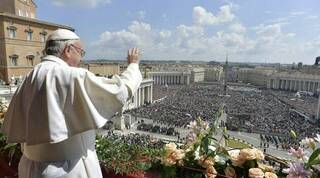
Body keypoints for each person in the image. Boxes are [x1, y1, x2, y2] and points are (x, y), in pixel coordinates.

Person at [2, 29, 142, 178]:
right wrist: (133, 65)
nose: (81, 59)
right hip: (68, 170)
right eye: (81, 52)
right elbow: (119, 91)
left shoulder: (30, 76)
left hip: (31, 169)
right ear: (68, 50)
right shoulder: (70, 75)